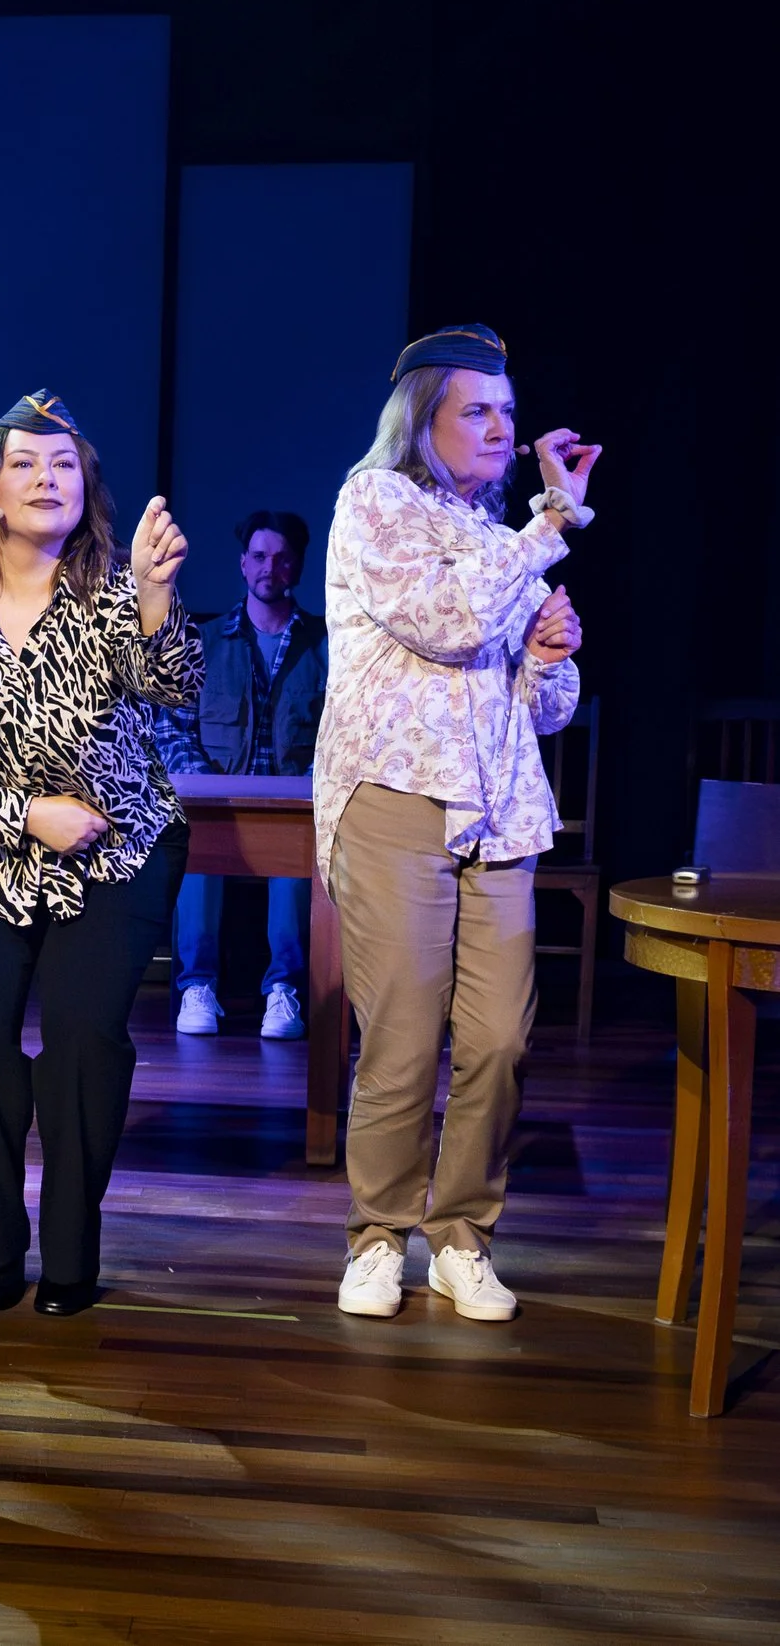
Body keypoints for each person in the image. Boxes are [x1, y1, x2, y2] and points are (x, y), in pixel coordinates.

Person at [0, 391, 198, 1317]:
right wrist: (26, 814)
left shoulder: (112, 598)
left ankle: (70, 1244)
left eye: (64, 465)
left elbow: (172, 686)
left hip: (116, 851)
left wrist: (157, 596)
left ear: (86, 489)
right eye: (26, 463)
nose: (47, 477)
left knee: (82, 1041)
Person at [318, 325, 593, 1324]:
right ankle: (377, 1235)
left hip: (501, 810)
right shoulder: (374, 501)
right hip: (395, 796)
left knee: (497, 1040)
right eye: (475, 407)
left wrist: (553, 653)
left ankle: (463, 1236)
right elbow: (444, 621)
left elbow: (544, 707)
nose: (497, 425)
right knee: (400, 1033)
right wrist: (547, 526)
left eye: (506, 410)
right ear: (422, 417)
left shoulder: (498, 536)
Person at [153, 511, 327, 1039]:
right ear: (242, 563)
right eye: (259, 556)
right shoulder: (203, 640)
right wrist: (205, 787)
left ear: (297, 565)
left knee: (300, 866)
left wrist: (315, 786)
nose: (268, 567)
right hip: (219, 803)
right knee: (196, 853)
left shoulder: (326, 645)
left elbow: (342, 729)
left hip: (297, 806)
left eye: (281, 557)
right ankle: (196, 987)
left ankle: (284, 991)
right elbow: (172, 726)